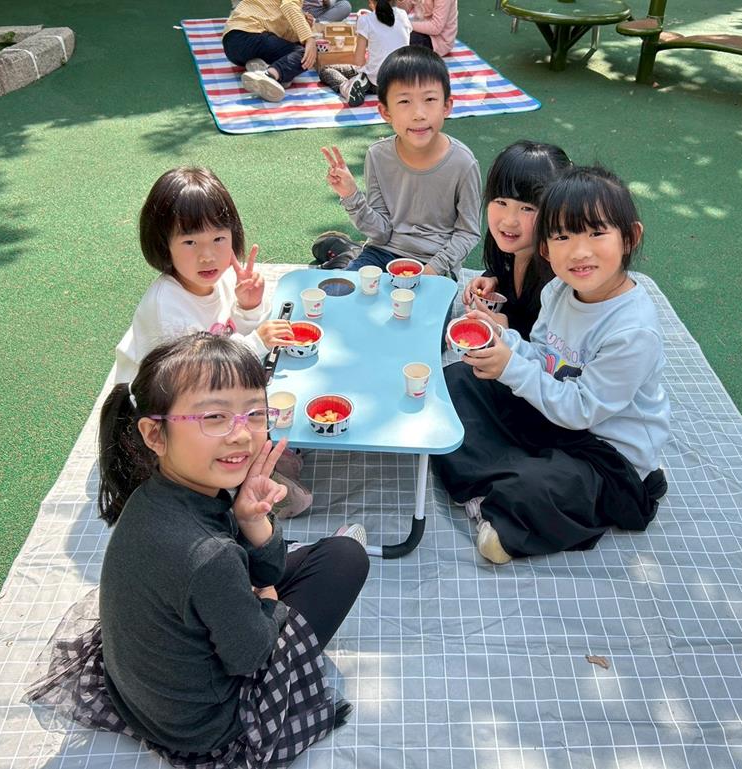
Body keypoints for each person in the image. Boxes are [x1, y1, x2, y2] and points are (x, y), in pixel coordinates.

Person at [26, 333, 370, 768]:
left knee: (290, 555)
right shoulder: (209, 555)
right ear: (154, 434)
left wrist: (251, 521)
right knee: (344, 560)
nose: (241, 434)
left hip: (147, 697)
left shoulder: (155, 494)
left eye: (254, 413)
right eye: (214, 417)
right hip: (207, 727)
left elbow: (250, 567)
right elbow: (251, 656)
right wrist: (267, 601)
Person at [434, 164, 671, 565]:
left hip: (604, 453)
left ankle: (506, 492)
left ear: (629, 238)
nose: (579, 251)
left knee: (539, 487)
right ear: (545, 249)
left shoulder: (633, 331)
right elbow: (543, 356)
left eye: (596, 233)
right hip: (554, 419)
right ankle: (499, 489)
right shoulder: (559, 290)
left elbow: (581, 410)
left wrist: (510, 367)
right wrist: (502, 339)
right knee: (455, 381)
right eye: (562, 236)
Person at [114, 167, 308, 519]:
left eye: (219, 239)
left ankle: (254, 464)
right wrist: (256, 342)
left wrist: (247, 306)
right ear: (163, 245)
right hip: (167, 410)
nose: (208, 255)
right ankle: (237, 488)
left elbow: (226, 333)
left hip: (203, 391)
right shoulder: (167, 306)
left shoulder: (218, 278)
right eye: (190, 243)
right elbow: (200, 379)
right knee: (288, 492)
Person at [320, 45, 481, 278]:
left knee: (424, 304)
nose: (419, 114)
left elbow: (468, 232)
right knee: (344, 292)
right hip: (381, 252)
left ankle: (346, 253)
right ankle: (348, 257)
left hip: (435, 262)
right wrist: (351, 195)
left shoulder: (463, 163)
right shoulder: (377, 156)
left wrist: (434, 268)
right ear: (386, 112)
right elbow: (380, 232)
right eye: (405, 101)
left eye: (429, 99)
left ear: (446, 106)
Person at [462, 140, 572, 339]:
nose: (509, 221)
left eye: (527, 208)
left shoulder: (559, 280)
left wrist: (508, 332)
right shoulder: (510, 252)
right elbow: (501, 273)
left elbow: (552, 348)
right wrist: (492, 278)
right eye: (501, 202)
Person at [317, 0, 412, 108]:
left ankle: (347, 87)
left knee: (326, 70)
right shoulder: (403, 15)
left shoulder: (366, 20)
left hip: (375, 83)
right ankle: (358, 83)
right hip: (401, 82)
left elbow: (359, 61)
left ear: (371, 1)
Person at [222, 0, 318, 103]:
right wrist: (309, 38)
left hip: (232, 48)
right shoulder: (291, 5)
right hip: (251, 35)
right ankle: (268, 75)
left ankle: (264, 68)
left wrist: (305, 25)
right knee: (306, 55)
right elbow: (289, 5)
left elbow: (283, 38)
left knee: (293, 54)